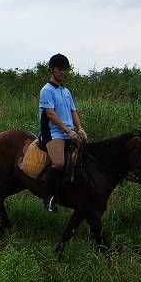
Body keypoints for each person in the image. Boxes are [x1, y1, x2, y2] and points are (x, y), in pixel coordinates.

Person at [39, 53, 87, 213]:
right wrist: (67, 130)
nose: (63, 73)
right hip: (53, 133)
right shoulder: (46, 90)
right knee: (59, 163)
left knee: (86, 157)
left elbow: (74, 111)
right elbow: (50, 114)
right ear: (52, 70)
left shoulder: (66, 91)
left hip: (69, 132)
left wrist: (79, 128)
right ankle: (49, 199)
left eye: (65, 69)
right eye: (60, 69)